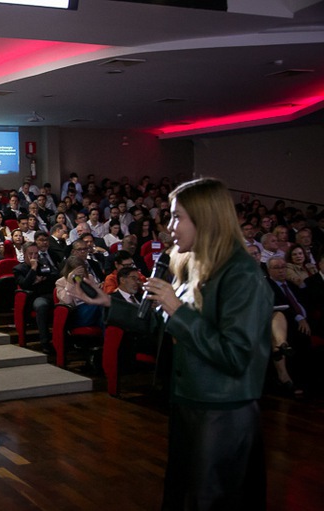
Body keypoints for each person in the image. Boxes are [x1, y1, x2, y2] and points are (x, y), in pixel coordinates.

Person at [63, 177, 272, 509]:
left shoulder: (240, 274)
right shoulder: (190, 265)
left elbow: (236, 356)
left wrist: (176, 307)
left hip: (223, 413)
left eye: (178, 217)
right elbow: (155, 323)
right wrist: (108, 303)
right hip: (190, 402)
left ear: (206, 220)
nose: (169, 227)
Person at [14, 242, 60, 355]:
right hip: (34, 297)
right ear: (24, 254)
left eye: (36, 254)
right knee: (42, 305)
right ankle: (45, 342)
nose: (34, 257)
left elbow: (55, 276)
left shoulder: (44, 263)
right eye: (31, 254)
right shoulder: (19, 269)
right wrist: (33, 269)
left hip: (49, 294)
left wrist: (40, 280)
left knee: (67, 303)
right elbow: (24, 285)